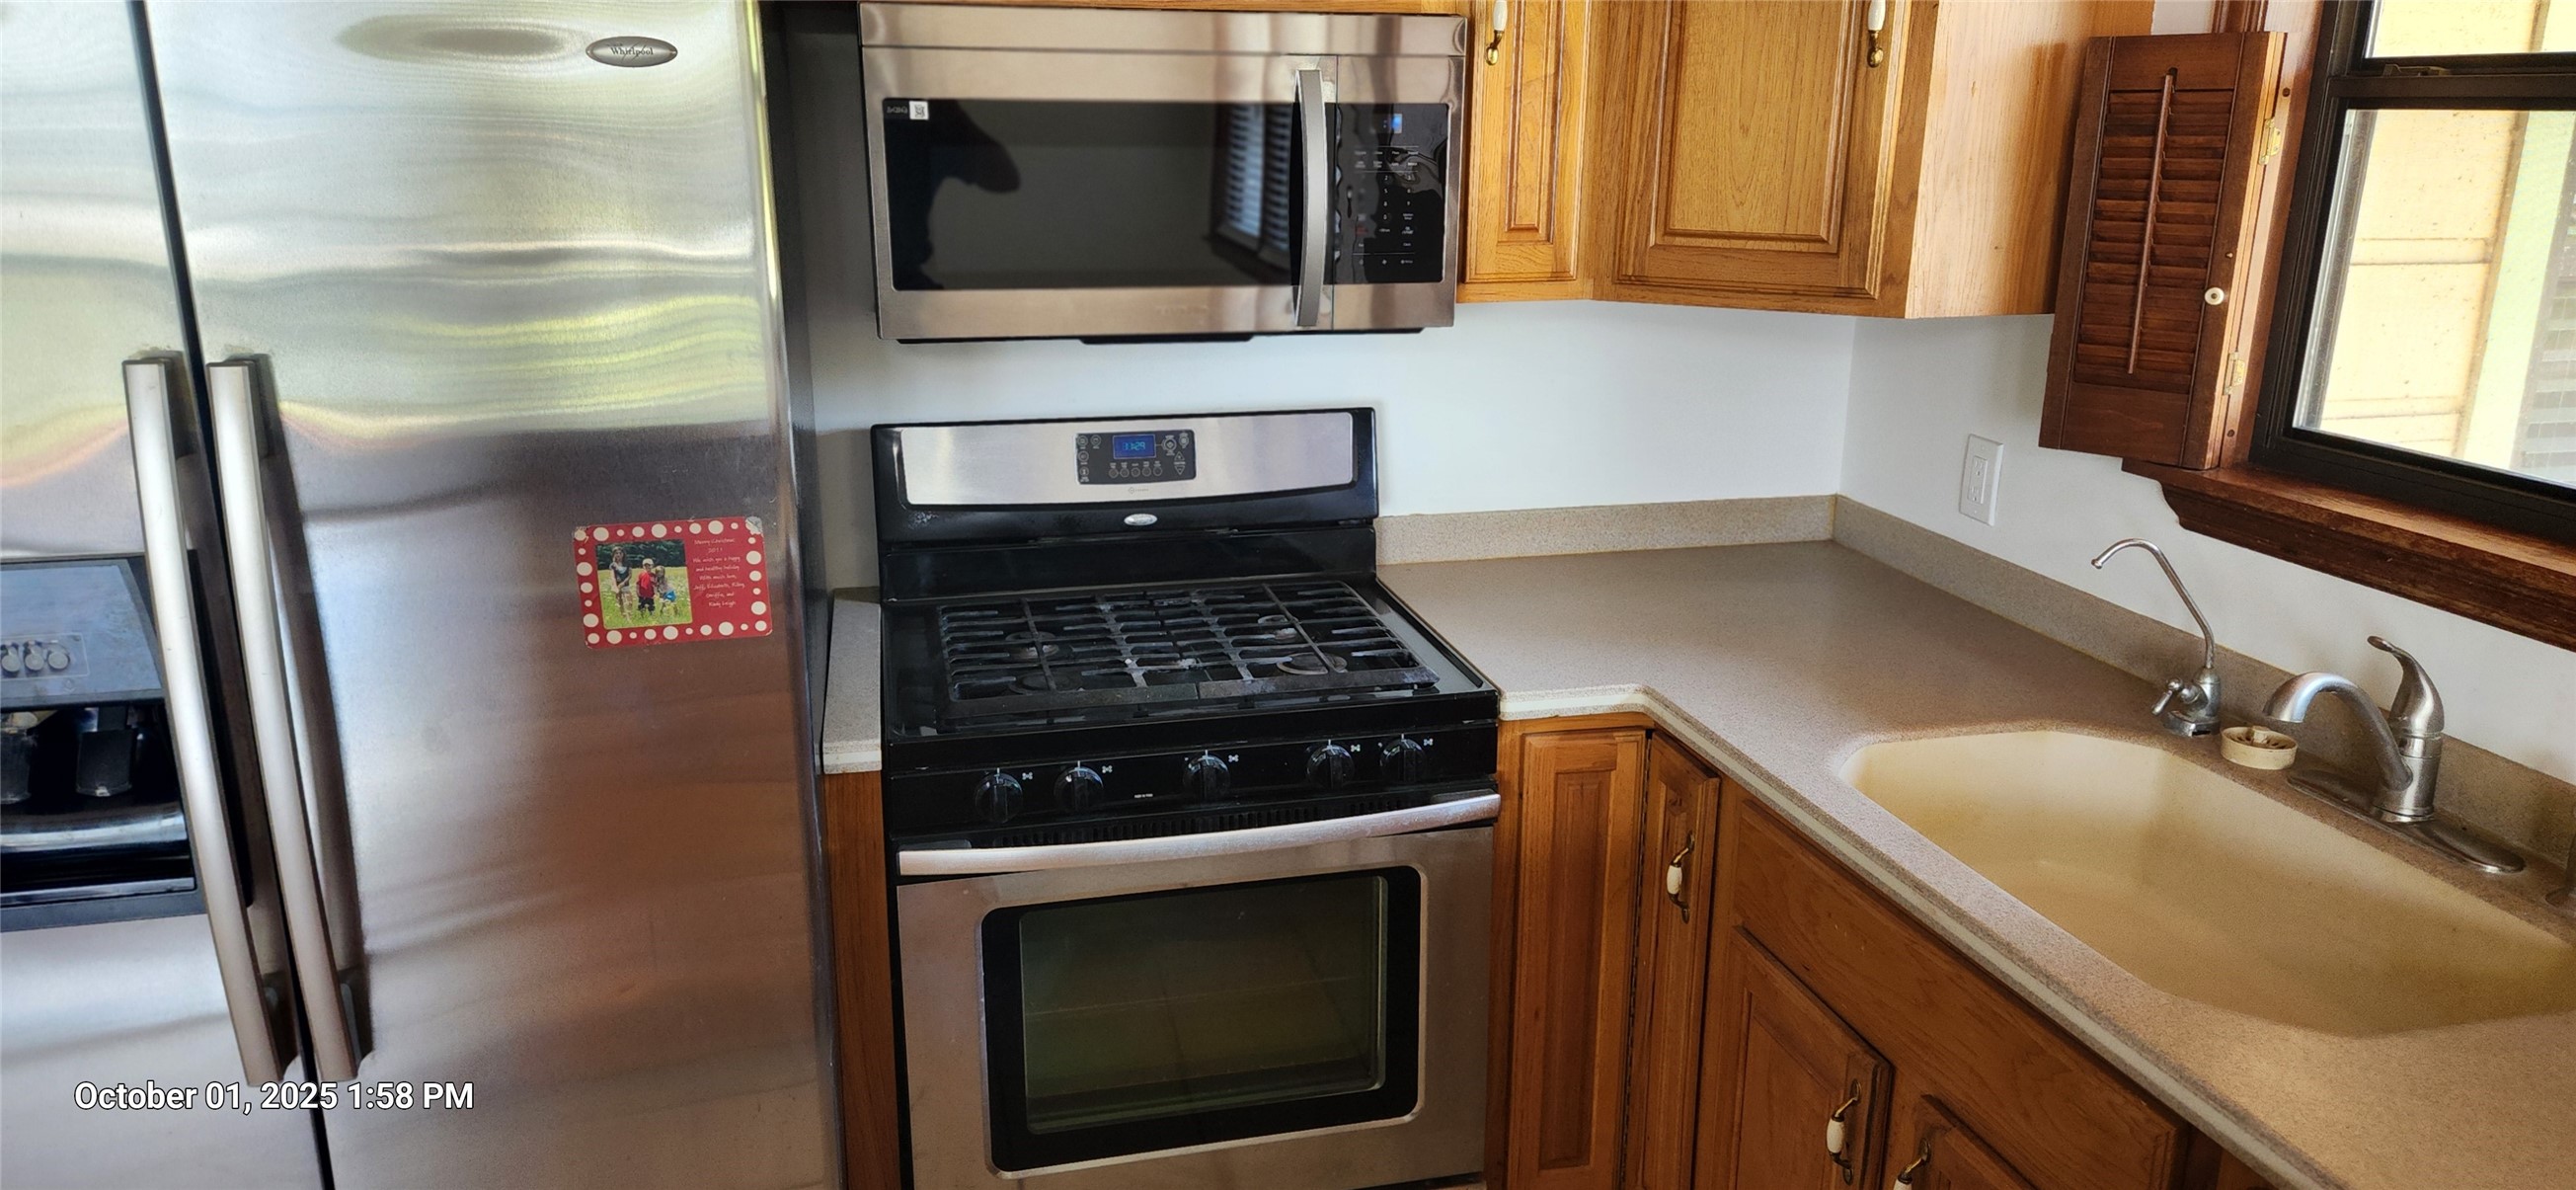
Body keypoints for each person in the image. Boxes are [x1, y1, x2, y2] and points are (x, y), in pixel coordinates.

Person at [607, 545, 635, 615]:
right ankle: (623, 615)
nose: (618, 555)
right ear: (614, 554)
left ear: (623, 554)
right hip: (617, 585)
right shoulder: (612, 565)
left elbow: (630, 575)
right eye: (616, 553)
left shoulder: (628, 563)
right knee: (620, 601)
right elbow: (612, 576)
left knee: (629, 601)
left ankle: (630, 614)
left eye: (620, 553)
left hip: (625, 585)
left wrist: (623, 583)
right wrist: (615, 586)